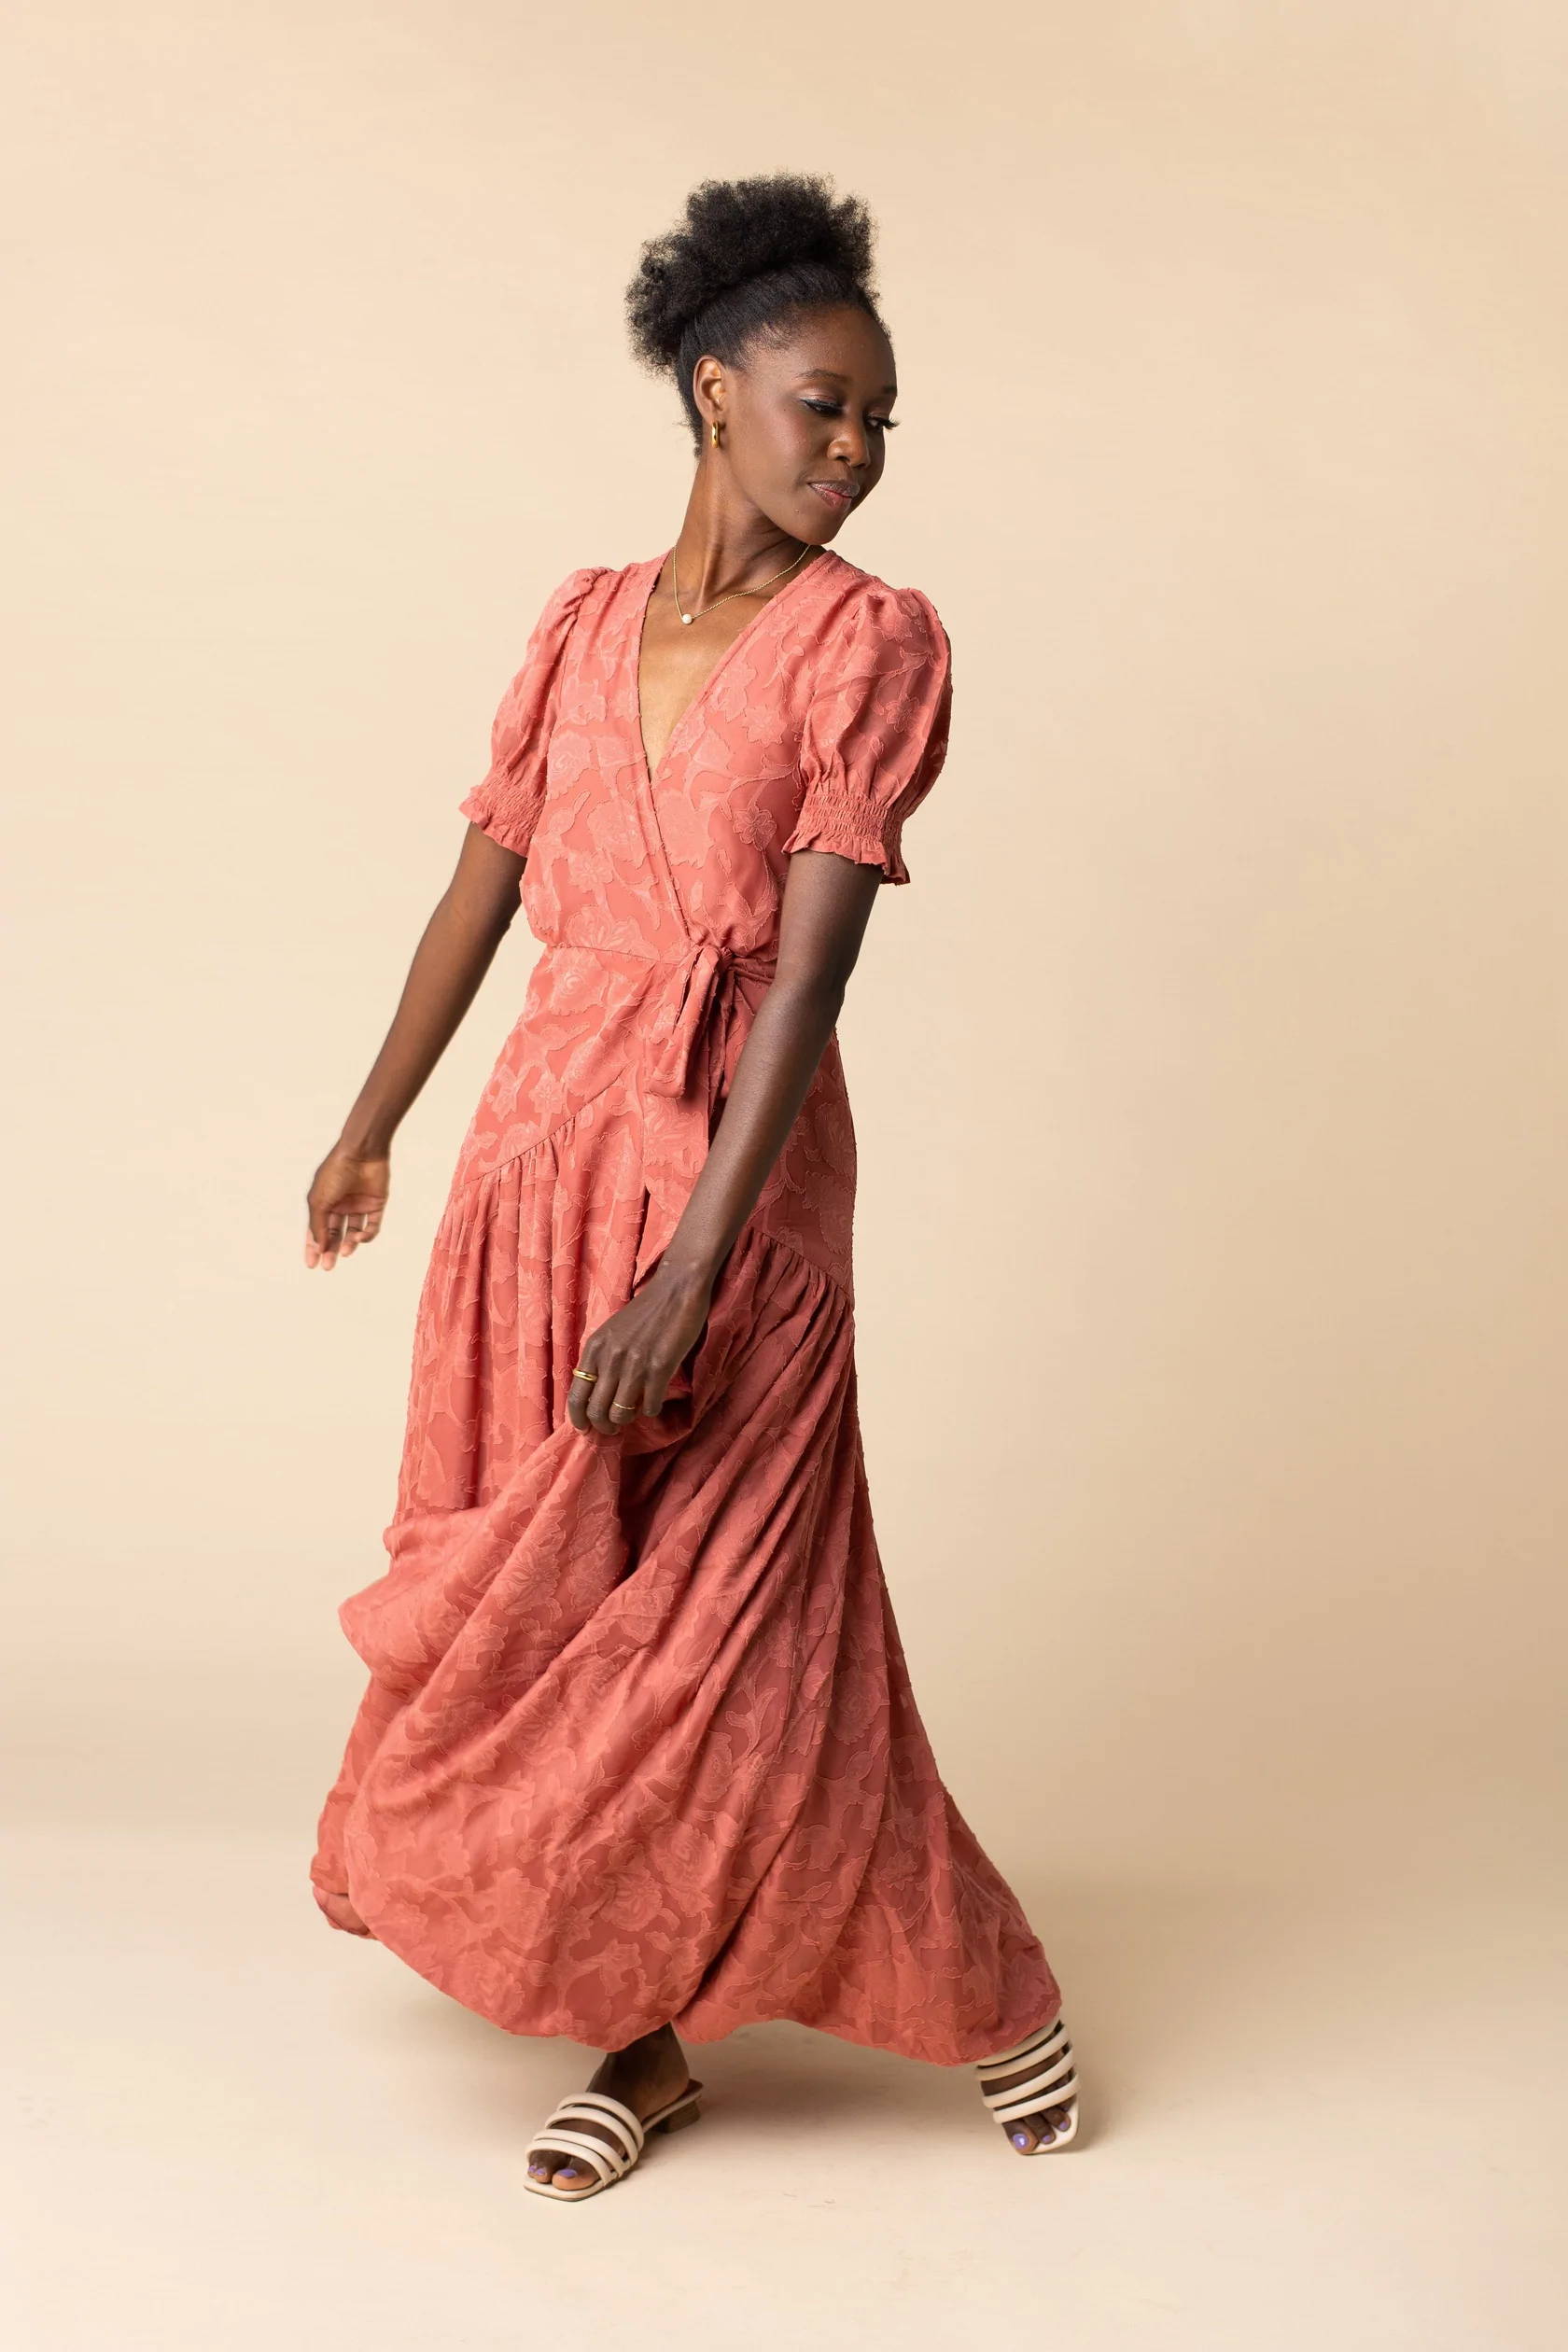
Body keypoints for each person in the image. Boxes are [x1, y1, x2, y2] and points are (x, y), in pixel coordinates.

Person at [304, 171, 1078, 2203]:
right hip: (534, 1172)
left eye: (883, 420)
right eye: (827, 403)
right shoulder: (577, 621)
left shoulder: (870, 647)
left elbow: (809, 976)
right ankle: (642, 2045)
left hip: (724, 1188)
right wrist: (376, 1112)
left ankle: (983, 1984)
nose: (860, 449)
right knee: (563, 1631)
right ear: (714, 389)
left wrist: (698, 1272)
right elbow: (481, 882)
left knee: (738, 1628)